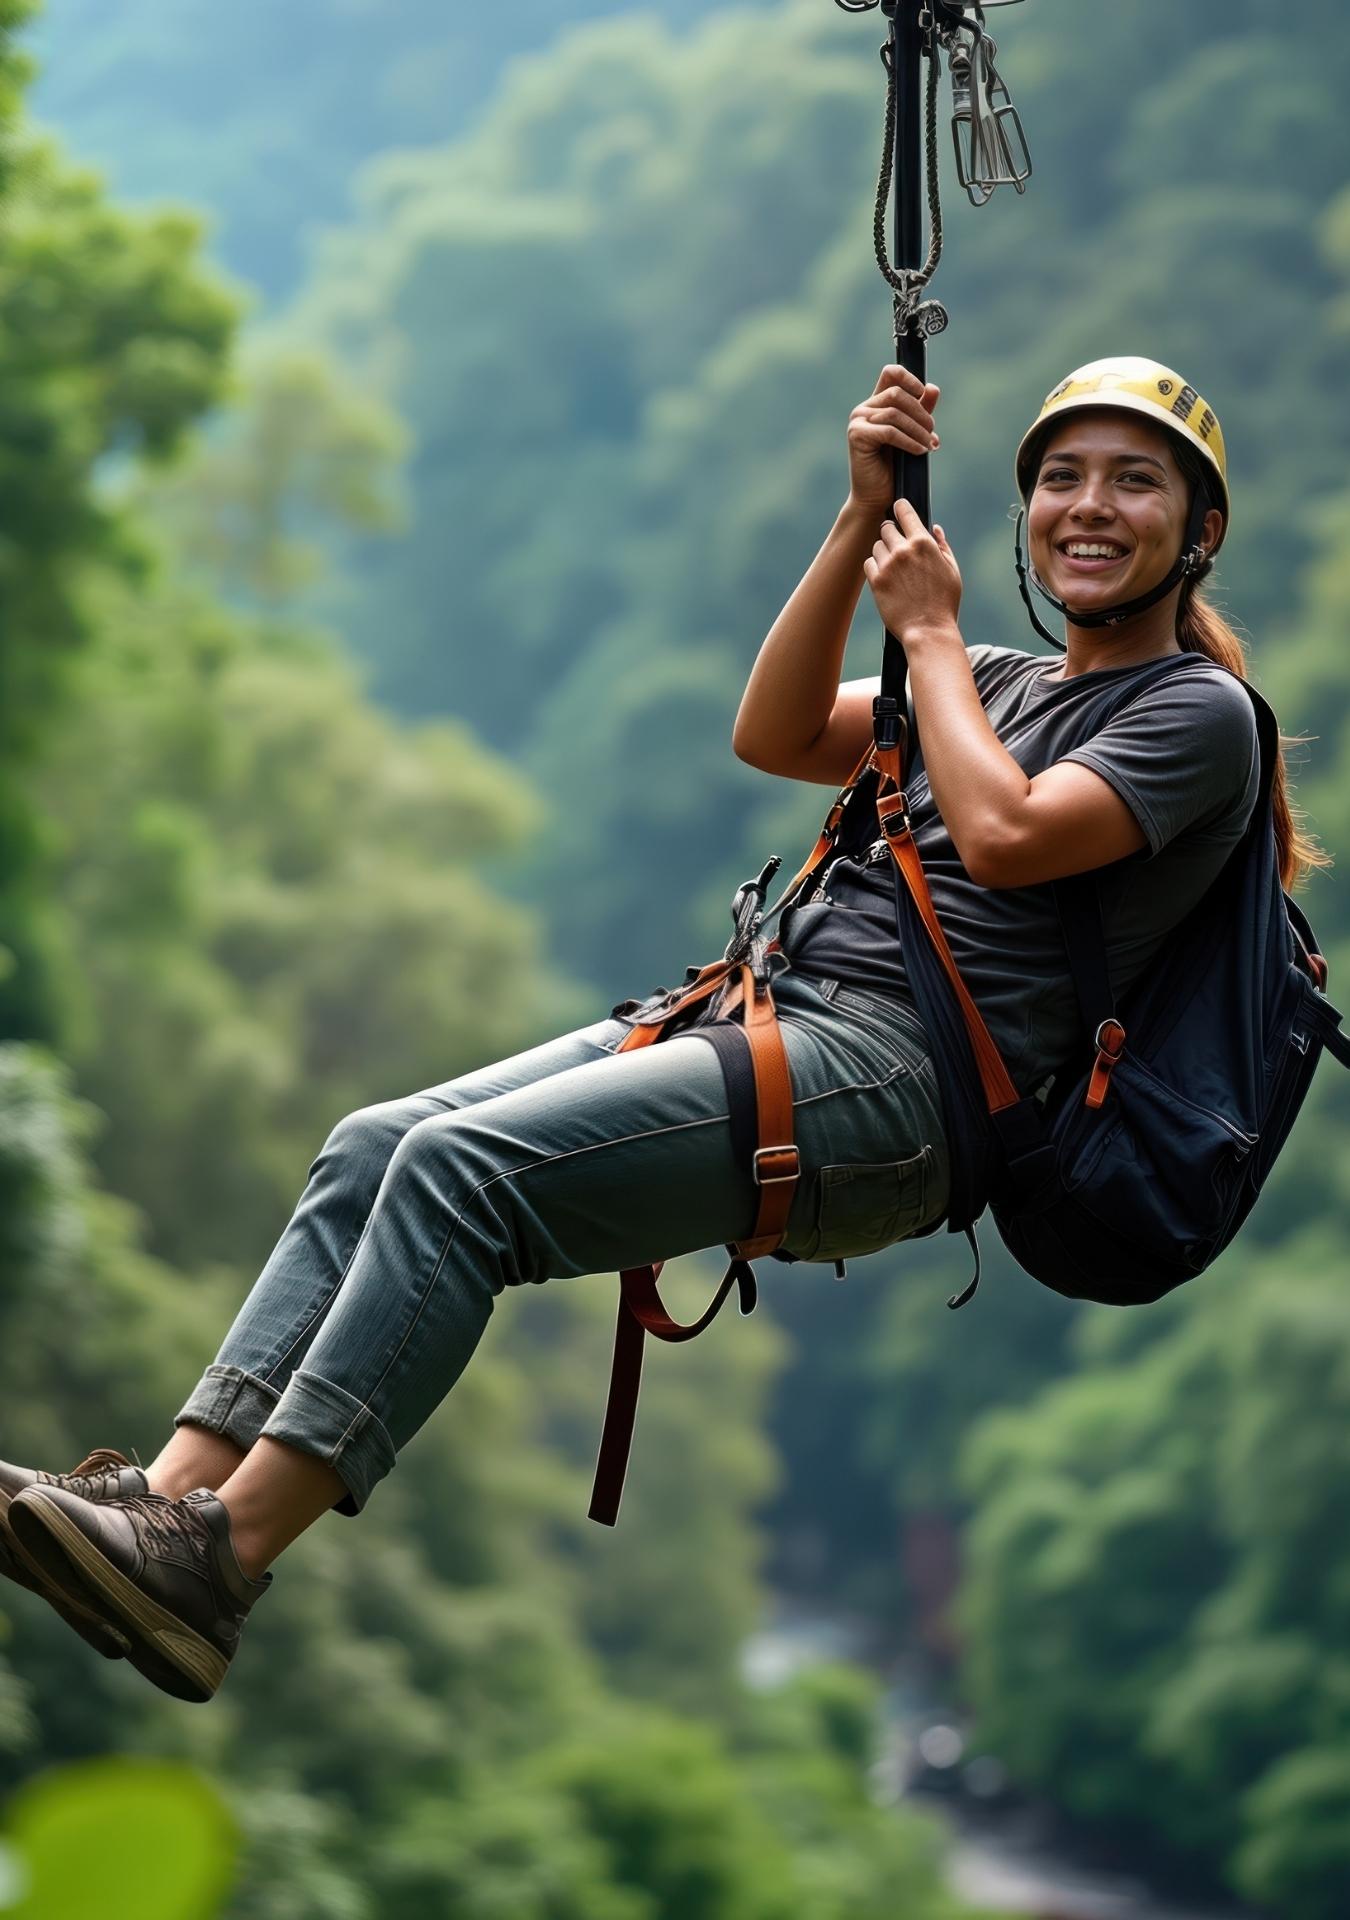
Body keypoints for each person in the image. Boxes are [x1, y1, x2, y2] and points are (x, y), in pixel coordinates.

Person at [0, 356, 1320, 1705]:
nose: (1088, 506)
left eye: (1133, 482)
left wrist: (926, 637)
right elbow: (777, 731)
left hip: (900, 1088)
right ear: (1026, 510)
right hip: (774, 1011)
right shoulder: (997, 679)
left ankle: (224, 1557)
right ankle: (166, 1504)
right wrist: (857, 522)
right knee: (374, 1145)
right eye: (1061, 478)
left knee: (460, 1178)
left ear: (1199, 531)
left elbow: (1006, 835)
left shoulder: (1198, 717)